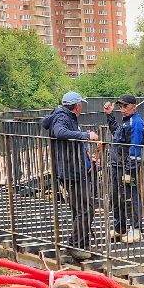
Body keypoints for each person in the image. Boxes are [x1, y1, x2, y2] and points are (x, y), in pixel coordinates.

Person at [40, 91, 98, 252]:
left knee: (81, 209)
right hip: (71, 171)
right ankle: (76, 244)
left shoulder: (67, 116)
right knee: (85, 209)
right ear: (77, 106)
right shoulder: (62, 116)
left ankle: (81, 242)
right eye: (81, 105)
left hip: (74, 169)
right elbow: (60, 132)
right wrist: (86, 135)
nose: (82, 108)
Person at [104, 94, 144, 243]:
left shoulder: (136, 123)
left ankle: (136, 229)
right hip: (117, 165)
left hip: (127, 167)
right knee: (117, 197)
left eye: (125, 107)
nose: (122, 110)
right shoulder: (126, 121)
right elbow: (116, 134)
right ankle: (120, 227)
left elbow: (135, 148)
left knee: (131, 197)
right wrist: (110, 116)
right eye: (120, 107)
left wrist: (130, 171)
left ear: (134, 107)